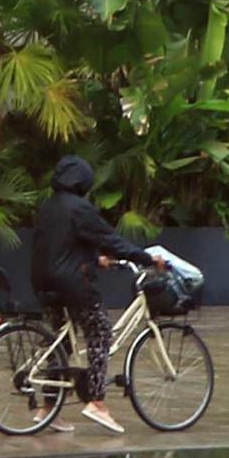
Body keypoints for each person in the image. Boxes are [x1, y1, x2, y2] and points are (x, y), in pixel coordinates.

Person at [27, 153, 133, 432]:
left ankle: (48, 408)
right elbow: (110, 239)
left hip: (42, 280)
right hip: (72, 283)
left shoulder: (48, 206)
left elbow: (64, 244)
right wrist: (147, 258)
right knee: (100, 330)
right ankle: (96, 401)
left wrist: (93, 258)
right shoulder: (79, 208)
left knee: (59, 341)